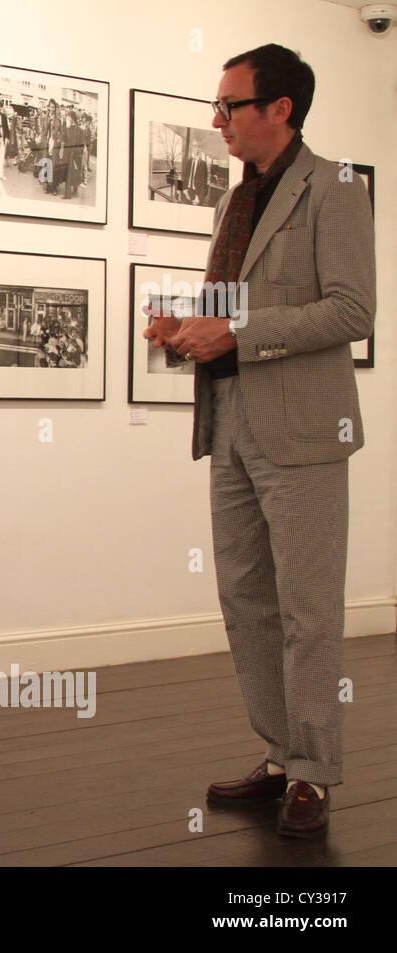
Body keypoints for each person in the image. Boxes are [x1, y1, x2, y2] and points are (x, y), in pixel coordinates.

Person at [144, 44, 375, 838]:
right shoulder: (233, 201)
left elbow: (353, 312)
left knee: (308, 610)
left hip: (304, 427)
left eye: (229, 106)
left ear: (280, 108)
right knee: (246, 600)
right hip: (231, 422)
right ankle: (281, 754)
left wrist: (234, 331)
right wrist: (185, 331)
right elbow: (238, 318)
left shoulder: (335, 187)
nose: (218, 122)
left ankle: (315, 771)